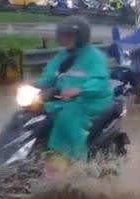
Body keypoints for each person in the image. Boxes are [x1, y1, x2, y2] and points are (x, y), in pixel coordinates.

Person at [34, 17, 113, 174]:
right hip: (62, 101)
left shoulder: (94, 56)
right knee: (35, 112)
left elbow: (100, 81)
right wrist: (31, 86)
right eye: (63, 35)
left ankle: (77, 161)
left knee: (67, 114)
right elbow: (48, 78)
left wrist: (80, 89)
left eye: (70, 35)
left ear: (80, 36)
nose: (66, 38)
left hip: (89, 101)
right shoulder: (61, 58)